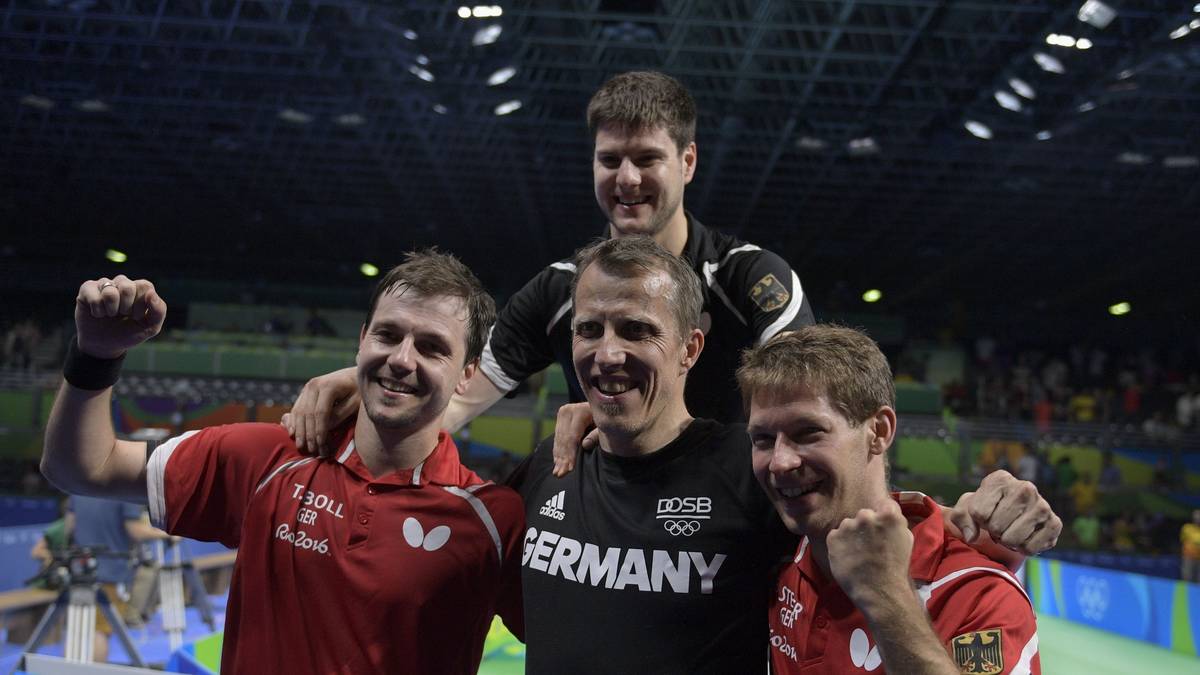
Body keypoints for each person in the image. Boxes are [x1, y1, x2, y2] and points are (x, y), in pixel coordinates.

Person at [509, 237, 1058, 673]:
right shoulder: (549, 465)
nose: (607, 353)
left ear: (690, 349)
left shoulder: (751, 481)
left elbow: (859, 508)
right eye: (588, 330)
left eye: (635, 330)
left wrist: (980, 518)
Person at [284, 70, 815, 456]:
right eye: (610, 160)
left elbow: (806, 402)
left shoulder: (752, 278)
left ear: (688, 161)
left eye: (647, 158)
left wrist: (631, 419)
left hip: (725, 522)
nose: (627, 179)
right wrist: (374, 385)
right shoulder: (555, 292)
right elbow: (453, 405)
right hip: (604, 525)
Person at [41, 254, 525, 674]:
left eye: (431, 347)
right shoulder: (267, 459)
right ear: (361, 340)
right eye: (388, 334)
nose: (401, 359)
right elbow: (83, 467)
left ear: (466, 375)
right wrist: (96, 355)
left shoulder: (491, 520)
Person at [739, 327, 1041, 674]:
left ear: (879, 431)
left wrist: (886, 597)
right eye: (762, 439)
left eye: (808, 433)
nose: (780, 462)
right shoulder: (779, 545)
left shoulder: (976, 591)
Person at [1181, 510, 1200, 583]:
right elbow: (1183, 540)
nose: (1198, 519)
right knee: (1187, 577)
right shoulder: (1186, 528)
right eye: (1197, 517)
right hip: (1188, 557)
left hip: (1199, 559)